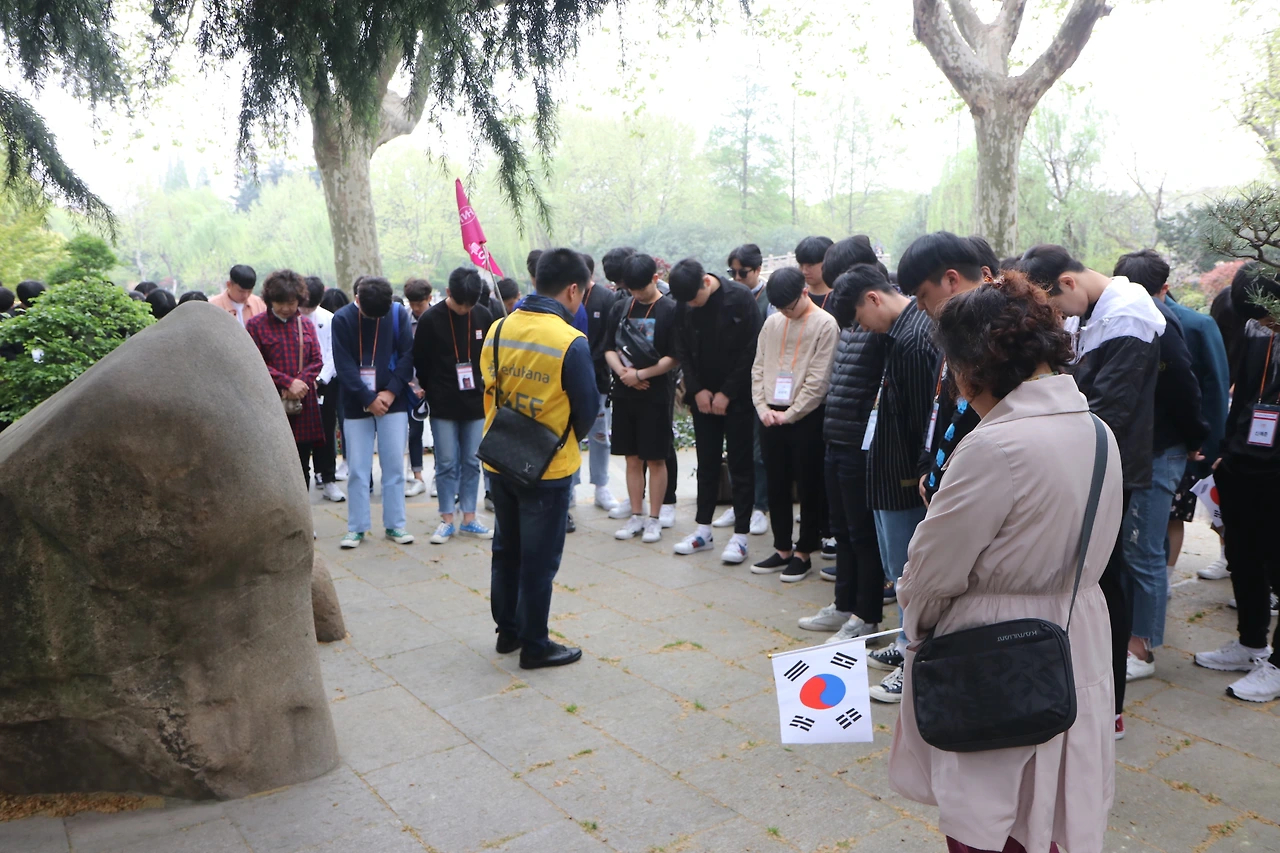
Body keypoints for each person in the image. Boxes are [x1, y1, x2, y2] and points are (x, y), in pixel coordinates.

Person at [889, 274, 1123, 853]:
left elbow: (933, 572)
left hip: (994, 648)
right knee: (1055, 807)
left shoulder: (994, 445)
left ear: (973, 364)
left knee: (992, 819)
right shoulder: (1097, 430)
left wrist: (915, 628)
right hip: (1076, 633)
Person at [1022, 244, 1164, 739]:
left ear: (1068, 282)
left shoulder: (1129, 319)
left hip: (1108, 464)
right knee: (1079, 576)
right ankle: (1076, 688)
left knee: (1105, 577)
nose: (1058, 320)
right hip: (1079, 456)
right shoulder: (1089, 312)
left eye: (1056, 308)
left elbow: (1110, 407)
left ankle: (1111, 706)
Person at [481, 248, 599, 669]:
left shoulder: (497, 328)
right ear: (573, 289)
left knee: (506, 550)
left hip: (500, 458)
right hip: (547, 468)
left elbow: (491, 384)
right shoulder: (571, 341)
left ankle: (507, 632)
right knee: (539, 560)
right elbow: (587, 409)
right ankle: (535, 644)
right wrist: (565, 439)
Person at [839, 264, 938, 702]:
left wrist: (920, 472)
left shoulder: (916, 340)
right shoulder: (898, 334)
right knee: (897, 571)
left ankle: (915, 658)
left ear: (874, 299)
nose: (864, 328)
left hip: (903, 479)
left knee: (909, 572)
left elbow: (924, 421)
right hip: (886, 470)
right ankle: (904, 644)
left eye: (861, 318)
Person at [1113, 250, 1209, 682]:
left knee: (1145, 550)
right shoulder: (1132, 317)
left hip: (1160, 449)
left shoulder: (1160, 323)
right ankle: (1131, 636)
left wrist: (1195, 440)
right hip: (1140, 449)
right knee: (1134, 549)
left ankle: (1142, 648)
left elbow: (1186, 387)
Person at [1193, 263, 1280, 703]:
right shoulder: (1255, 330)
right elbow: (1243, 392)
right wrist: (1225, 448)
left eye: (1264, 314)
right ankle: (1250, 644)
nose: (1261, 323)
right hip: (1244, 461)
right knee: (1244, 555)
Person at [798, 257, 888, 641]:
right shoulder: (850, 320)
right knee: (842, 531)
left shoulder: (882, 326)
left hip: (859, 446)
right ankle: (843, 604)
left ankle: (865, 615)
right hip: (835, 438)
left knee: (861, 534)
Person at [668, 258, 762, 564]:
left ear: (707, 282)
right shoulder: (684, 303)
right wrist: (697, 390)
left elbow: (752, 349)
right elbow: (681, 347)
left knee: (741, 465)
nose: (692, 306)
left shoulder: (740, 298)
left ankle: (741, 536)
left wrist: (727, 393)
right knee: (706, 464)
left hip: (737, 397)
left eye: (695, 298)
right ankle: (703, 530)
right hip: (703, 397)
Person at [750, 267, 839, 582]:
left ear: (804, 291)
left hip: (806, 416)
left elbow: (819, 380)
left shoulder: (825, 324)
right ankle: (782, 547)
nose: (786, 313)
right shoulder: (773, 322)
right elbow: (759, 366)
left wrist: (789, 414)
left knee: (809, 483)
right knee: (776, 482)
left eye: (790, 306)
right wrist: (762, 407)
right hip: (770, 413)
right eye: (781, 308)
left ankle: (804, 552)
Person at [896, 232, 988, 507]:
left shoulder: (1005, 332)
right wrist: (928, 466)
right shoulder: (952, 334)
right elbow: (940, 405)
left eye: (923, 295)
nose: (920, 307)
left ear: (951, 280)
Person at [332, 276, 415, 548]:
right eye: (369, 314)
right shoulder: (342, 319)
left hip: (394, 400)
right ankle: (357, 527)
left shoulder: (397, 313)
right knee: (357, 468)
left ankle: (395, 525)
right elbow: (343, 366)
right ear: (357, 299)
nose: (375, 318)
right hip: (357, 403)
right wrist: (368, 398)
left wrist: (390, 392)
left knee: (394, 467)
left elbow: (408, 356)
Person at [604, 253, 680, 544]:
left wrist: (641, 375)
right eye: (631, 289)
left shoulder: (670, 310)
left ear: (655, 279)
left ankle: (655, 519)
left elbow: (673, 357)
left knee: (656, 458)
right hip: (625, 392)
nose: (636, 294)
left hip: (655, 394)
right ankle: (636, 514)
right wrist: (624, 373)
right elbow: (609, 347)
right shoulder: (622, 306)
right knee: (632, 458)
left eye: (641, 288)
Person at [413, 268, 493, 544]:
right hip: (444, 402)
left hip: (475, 402)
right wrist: (432, 388)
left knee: (472, 462)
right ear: (448, 293)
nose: (465, 309)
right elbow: (421, 362)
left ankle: (469, 517)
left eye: (470, 304)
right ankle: (447, 517)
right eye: (461, 304)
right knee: (446, 462)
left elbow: (491, 356)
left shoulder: (483, 315)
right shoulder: (431, 320)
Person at [245, 270, 325, 484]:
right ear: (270, 300)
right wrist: (287, 382)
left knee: (302, 465)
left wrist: (300, 383)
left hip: (302, 403)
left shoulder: (306, 325)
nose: (287, 308)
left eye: (292, 303)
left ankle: (303, 515)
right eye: (281, 303)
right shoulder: (256, 325)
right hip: (271, 403)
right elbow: (255, 364)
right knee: (274, 465)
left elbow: (317, 360)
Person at [723, 242, 771, 535]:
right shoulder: (729, 297)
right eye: (732, 272)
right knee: (737, 447)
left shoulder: (770, 298)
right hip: (735, 383)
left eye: (743, 272)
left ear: (757, 270)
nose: (737, 278)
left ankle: (760, 506)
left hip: (763, 382)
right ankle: (741, 502)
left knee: (758, 449)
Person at [301, 276, 343, 502]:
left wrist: (319, 380)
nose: (306, 310)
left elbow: (332, 353)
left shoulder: (329, 319)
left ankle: (328, 478)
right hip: (296, 385)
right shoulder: (292, 319)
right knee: (299, 436)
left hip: (325, 384)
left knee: (326, 432)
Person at [403, 277, 434, 498]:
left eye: (420, 304)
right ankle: (418, 476)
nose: (415, 309)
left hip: (437, 385)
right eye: (412, 304)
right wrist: (412, 383)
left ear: (429, 299)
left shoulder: (438, 318)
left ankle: (440, 478)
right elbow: (404, 354)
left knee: (442, 434)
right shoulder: (403, 320)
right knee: (414, 432)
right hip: (411, 386)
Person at [796, 236, 835, 312]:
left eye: (810, 265)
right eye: (801, 265)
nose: (804, 271)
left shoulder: (841, 298)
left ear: (827, 262)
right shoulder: (796, 298)